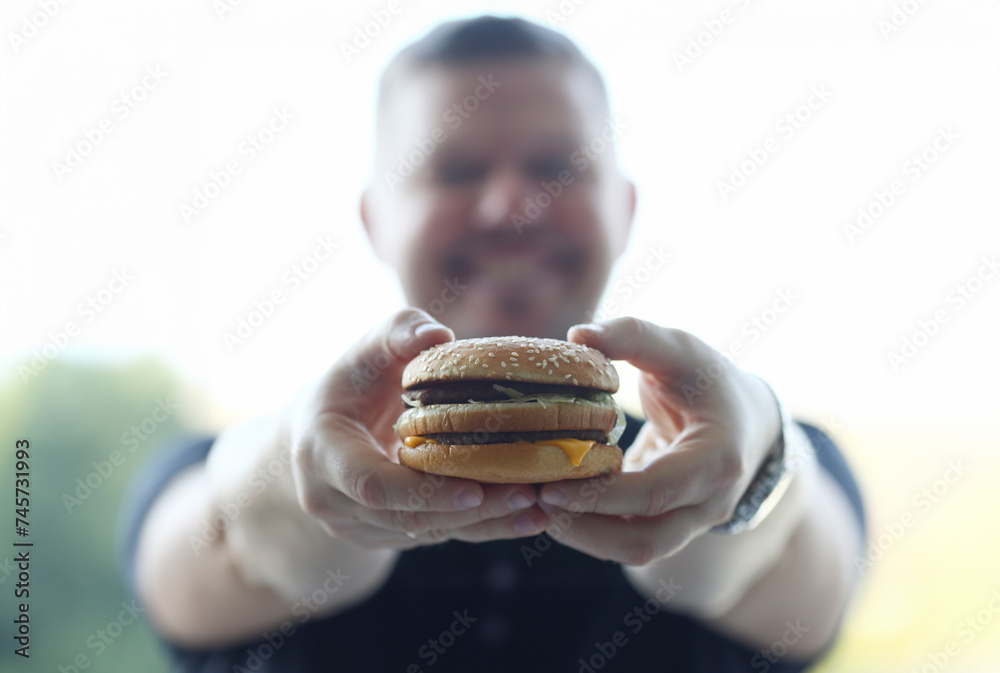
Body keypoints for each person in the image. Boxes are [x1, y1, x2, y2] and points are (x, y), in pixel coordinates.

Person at [121, 16, 866, 672]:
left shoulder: (773, 453)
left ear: (625, 208)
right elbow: (206, 557)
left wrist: (757, 464)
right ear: (376, 219)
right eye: (456, 169)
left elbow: (802, 568)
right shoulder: (207, 467)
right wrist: (296, 494)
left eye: (557, 167)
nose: (512, 203)